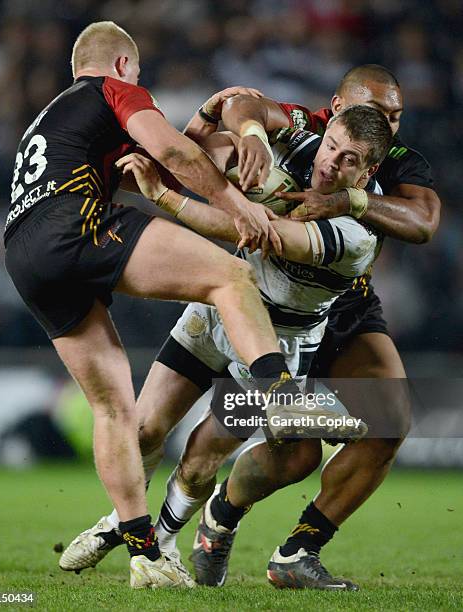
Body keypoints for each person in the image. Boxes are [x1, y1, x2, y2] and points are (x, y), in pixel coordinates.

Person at [57, 65, 441, 590]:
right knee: (145, 430)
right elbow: (242, 108)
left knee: (228, 451)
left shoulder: (363, 225)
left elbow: (416, 223)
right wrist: (243, 137)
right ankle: (128, 527)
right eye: (363, 120)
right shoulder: (303, 136)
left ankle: (189, 536)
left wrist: (166, 197)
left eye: (393, 118)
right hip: (224, 305)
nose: (384, 126)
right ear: (335, 111)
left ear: (371, 164)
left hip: (281, 338)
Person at [4, 20, 334, 589]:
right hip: (75, 225)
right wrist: (238, 207)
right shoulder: (115, 90)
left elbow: (160, 161)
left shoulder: (56, 117)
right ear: (123, 66)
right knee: (230, 276)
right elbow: (175, 154)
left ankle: (144, 554)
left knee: (115, 410)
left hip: (24, 253)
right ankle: (280, 397)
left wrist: (204, 120)